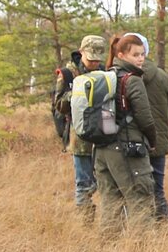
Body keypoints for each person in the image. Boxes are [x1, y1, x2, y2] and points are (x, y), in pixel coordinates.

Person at [95, 33, 158, 229]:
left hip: (102, 150)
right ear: (121, 55)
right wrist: (152, 140)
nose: (141, 59)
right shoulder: (132, 80)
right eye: (136, 55)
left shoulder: (105, 77)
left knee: (110, 202)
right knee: (141, 198)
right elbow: (145, 118)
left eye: (142, 55)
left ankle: (107, 250)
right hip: (127, 148)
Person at [124, 33, 168, 220]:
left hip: (131, 141)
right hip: (157, 140)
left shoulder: (121, 76)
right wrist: (160, 120)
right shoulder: (161, 76)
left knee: (132, 188)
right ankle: (164, 227)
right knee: (157, 188)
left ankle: (139, 228)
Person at [53, 35, 107, 219]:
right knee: (83, 185)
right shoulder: (68, 74)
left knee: (106, 182)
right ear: (81, 52)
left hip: (103, 135)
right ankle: (86, 224)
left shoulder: (105, 73)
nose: (94, 63)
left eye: (97, 59)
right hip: (80, 138)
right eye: (91, 58)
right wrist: (78, 93)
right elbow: (58, 105)